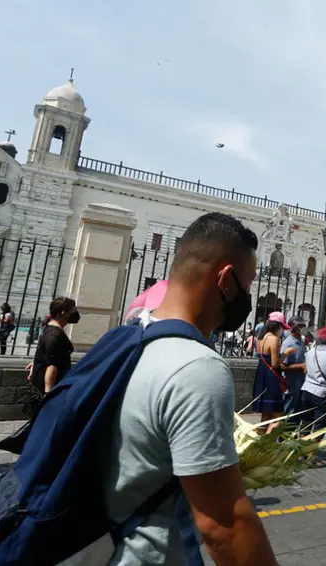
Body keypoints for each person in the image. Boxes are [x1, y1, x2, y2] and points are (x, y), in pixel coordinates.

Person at [101, 212, 276, 564]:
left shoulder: (121, 342)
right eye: (249, 282)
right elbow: (223, 527)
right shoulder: (197, 368)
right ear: (226, 280)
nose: (250, 295)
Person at [28, 298, 78, 400]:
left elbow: (47, 351)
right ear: (64, 313)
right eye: (72, 309)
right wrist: (48, 395)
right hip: (49, 386)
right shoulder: (55, 335)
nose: (75, 313)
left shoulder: (50, 328)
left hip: (39, 381)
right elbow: (52, 366)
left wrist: (37, 361)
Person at [298, 325, 326, 438]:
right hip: (322, 393)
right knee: (319, 425)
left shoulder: (309, 352)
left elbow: (306, 370)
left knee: (306, 423)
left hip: (306, 389)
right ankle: (312, 452)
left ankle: (302, 451)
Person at [252, 312, 289, 424]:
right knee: (277, 416)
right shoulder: (274, 339)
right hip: (271, 377)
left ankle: (261, 439)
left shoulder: (260, 338)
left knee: (265, 416)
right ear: (277, 326)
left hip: (262, 374)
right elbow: (275, 363)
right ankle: (273, 439)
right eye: (282, 327)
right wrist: (286, 354)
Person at [280, 316, 308, 416]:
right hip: (291, 385)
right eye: (302, 325)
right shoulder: (288, 343)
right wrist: (301, 366)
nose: (305, 327)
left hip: (300, 384)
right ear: (295, 327)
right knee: (288, 412)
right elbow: (282, 366)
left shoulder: (301, 341)